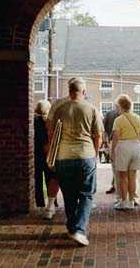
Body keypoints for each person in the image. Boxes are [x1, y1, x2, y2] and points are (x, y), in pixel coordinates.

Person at [52, 78, 103, 246]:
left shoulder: (60, 109)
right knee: (86, 194)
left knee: (69, 194)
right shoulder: (92, 109)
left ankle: (71, 227)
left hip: (63, 156)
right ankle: (80, 230)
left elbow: (52, 133)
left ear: (69, 92)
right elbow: (98, 135)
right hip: (85, 154)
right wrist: (94, 154)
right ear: (84, 92)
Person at [44, 77, 83, 219]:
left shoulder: (58, 104)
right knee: (77, 179)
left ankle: (49, 207)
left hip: (60, 146)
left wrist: (50, 143)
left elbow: (49, 125)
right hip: (79, 149)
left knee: (56, 177)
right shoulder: (85, 105)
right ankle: (74, 210)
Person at [110, 94, 140, 210]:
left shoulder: (119, 120)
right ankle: (132, 201)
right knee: (132, 176)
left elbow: (116, 137)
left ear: (120, 106)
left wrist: (112, 152)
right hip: (136, 146)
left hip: (123, 146)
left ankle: (124, 201)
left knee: (122, 176)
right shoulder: (139, 118)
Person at [34, 100, 52, 208]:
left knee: (38, 179)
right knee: (50, 178)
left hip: (36, 153)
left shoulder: (33, 122)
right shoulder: (48, 123)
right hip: (47, 153)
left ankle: (39, 202)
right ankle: (52, 202)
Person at [102, 105, 121, 196]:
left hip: (112, 141)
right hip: (124, 142)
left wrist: (104, 142)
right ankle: (116, 186)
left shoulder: (108, 114)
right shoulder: (125, 114)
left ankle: (117, 187)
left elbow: (104, 130)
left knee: (114, 166)